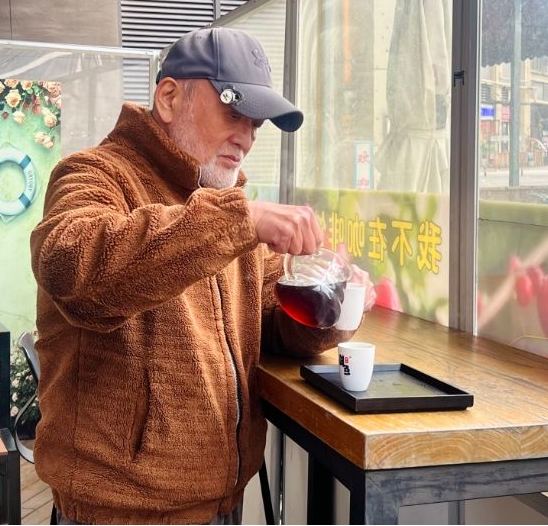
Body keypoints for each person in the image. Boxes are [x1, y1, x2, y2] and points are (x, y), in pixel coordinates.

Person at [30, 27, 375, 525]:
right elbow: (73, 268)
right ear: (169, 98)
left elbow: (276, 321)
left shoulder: (225, 206)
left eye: (256, 124)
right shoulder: (93, 174)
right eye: (234, 113)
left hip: (223, 502)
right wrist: (240, 220)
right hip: (117, 512)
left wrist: (336, 305)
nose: (246, 138)